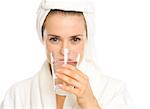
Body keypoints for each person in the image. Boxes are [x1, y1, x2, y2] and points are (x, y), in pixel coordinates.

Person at [0, 0, 133, 109]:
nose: (64, 51)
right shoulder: (17, 95)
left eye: (75, 39)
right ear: (42, 39)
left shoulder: (113, 91)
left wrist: (90, 103)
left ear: (87, 39)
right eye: (55, 39)